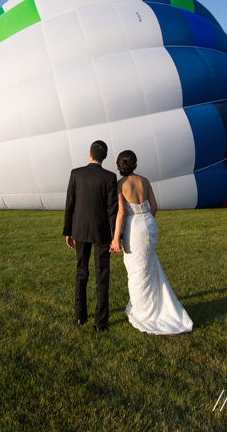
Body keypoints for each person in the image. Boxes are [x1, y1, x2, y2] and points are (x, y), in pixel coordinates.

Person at [109, 150, 193, 335]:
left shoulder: (120, 185)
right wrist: (147, 220)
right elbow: (153, 206)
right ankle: (154, 303)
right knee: (149, 266)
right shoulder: (145, 181)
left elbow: (121, 213)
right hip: (148, 222)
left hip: (134, 227)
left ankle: (143, 311)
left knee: (137, 270)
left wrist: (116, 238)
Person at [63, 140, 118, 331]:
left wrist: (68, 231)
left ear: (89, 154)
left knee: (81, 272)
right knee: (102, 276)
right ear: (104, 156)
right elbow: (112, 209)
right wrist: (114, 236)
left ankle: (80, 315)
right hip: (101, 231)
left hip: (79, 230)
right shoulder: (110, 177)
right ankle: (100, 323)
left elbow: (70, 203)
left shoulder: (76, 174)